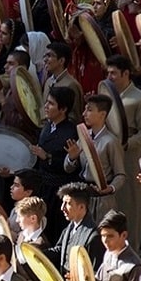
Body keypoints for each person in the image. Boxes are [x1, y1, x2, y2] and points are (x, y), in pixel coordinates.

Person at [104, 55, 141, 251]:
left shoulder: (140, 99)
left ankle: (132, 250)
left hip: (130, 156)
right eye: (108, 73)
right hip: (109, 153)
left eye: (114, 73)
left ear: (126, 73)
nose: (110, 77)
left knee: (131, 205)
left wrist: (125, 144)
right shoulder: (107, 95)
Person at [64, 94, 123, 222]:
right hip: (82, 195)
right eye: (85, 109)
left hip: (102, 199)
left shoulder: (111, 141)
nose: (84, 113)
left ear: (102, 114)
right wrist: (72, 158)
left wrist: (110, 188)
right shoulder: (84, 137)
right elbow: (67, 168)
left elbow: (120, 174)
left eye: (89, 110)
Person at [31, 87, 78, 244]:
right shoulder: (47, 126)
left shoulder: (70, 132)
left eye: (51, 104)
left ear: (63, 109)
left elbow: (71, 164)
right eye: (47, 102)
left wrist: (47, 156)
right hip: (43, 185)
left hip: (57, 189)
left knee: (55, 230)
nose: (46, 106)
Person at [42, 42, 84, 122]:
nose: (45, 60)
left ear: (61, 61)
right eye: (45, 56)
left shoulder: (71, 84)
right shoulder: (48, 81)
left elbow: (75, 117)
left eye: (49, 56)